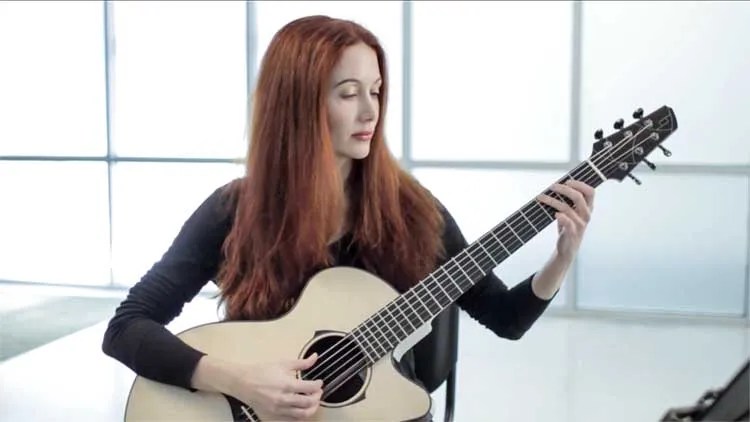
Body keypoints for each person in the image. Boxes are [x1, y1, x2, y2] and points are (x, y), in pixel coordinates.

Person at [102, 14, 595, 422]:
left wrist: (561, 258)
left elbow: (505, 319)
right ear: (298, 102)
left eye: (376, 91)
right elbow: (126, 328)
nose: (370, 112)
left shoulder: (412, 210)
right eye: (348, 92)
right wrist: (241, 381)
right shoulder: (234, 210)